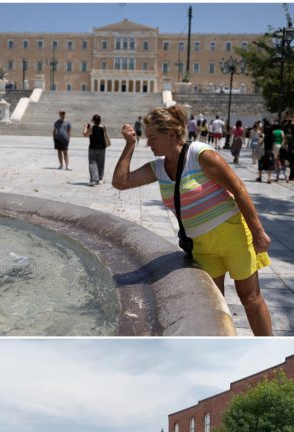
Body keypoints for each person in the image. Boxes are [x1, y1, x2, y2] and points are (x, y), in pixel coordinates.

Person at [112, 104, 275, 336]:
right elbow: (121, 182)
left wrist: (258, 231)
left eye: (152, 137)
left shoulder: (200, 155)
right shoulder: (158, 168)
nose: (149, 143)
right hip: (201, 246)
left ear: (170, 134)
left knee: (250, 298)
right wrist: (129, 145)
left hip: (232, 235)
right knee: (214, 308)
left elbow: (238, 188)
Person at [83, 114, 110, 186]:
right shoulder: (103, 127)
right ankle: (100, 179)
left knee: (92, 163)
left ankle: (94, 180)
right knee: (101, 164)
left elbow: (85, 134)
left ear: (93, 120)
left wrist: (85, 127)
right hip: (102, 148)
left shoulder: (92, 128)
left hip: (93, 148)